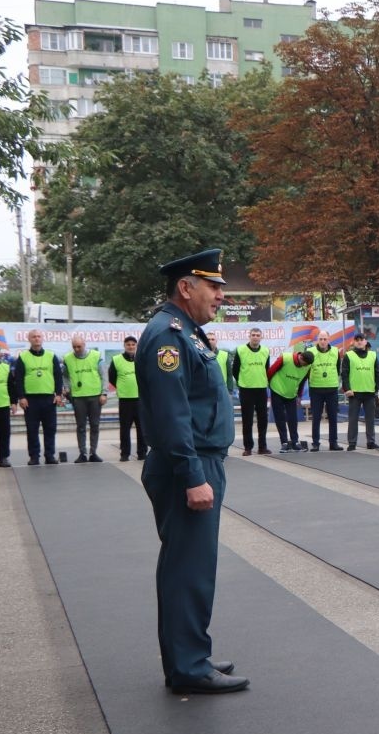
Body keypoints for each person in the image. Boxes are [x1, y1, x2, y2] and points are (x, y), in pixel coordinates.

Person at [136, 248, 246, 694]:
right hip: (190, 465)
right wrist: (193, 476)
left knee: (195, 566)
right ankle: (187, 667)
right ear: (186, 287)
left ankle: (192, 652)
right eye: (214, 286)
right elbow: (172, 415)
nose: (220, 296)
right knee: (188, 569)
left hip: (201, 461)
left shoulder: (189, 333)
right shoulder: (168, 335)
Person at [12, 328, 65, 465]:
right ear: (29, 339)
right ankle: (34, 456)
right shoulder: (23, 357)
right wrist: (21, 397)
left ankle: (50, 456)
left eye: (39, 336)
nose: (36, 339)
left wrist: (58, 394)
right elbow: (18, 378)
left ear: (42, 339)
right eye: (34, 337)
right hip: (30, 400)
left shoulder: (51, 355)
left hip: (49, 398)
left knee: (50, 429)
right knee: (32, 429)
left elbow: (58, 376)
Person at [63, 335, 107, 462]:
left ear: (84, 344)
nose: (77, 349)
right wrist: (67, 388)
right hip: (78, 397)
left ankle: (93, 453)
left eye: (79, 346)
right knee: (80, 426)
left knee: (95, 425)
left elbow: (104, 375)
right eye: (74, 347)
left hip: (95, 396)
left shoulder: (96, 356)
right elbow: (65, 376)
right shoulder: (67, 358)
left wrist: (104, 393)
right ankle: (82, 453)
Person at [232, 327, 272, 456]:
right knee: (247, 420)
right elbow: (235, 370)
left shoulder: (265, 350)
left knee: (263, 420)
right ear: (249, 336)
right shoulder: (241, 350)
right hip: (246, 389)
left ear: (261, 337)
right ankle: (248, 447)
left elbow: (267, 369)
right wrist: (242, 382)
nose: (255, 337)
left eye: (257, 335)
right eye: (253, 335)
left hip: (261, 389)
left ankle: (262, 447)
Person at [268, 346, 314, 452]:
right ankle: (284, 442)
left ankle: (295, 442)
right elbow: (271, 371)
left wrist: (299, 396)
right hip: (277, 391)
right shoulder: (285, 358)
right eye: (305, 363)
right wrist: (270, 388)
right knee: (280, 418)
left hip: (291, 394)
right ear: (301, 357)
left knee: (293, 419)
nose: (305, 366)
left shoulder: (307, 366)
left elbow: (302, 381)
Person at [108, 336, 147, 462]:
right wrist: (122, 387)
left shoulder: (142, 359)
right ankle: (125, 454)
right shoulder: (116, 360)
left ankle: (142, 453)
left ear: (136, 346)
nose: (131, 346)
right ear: (124, 346)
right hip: (125, 400)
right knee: (125, 429)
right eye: (128, 344)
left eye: (133, 344)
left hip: (140, 399)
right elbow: (112, 378)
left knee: (142, 428)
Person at [341, 332, 379, 449]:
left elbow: (378, 373)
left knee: (370, 420)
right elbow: (344, 374)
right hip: (354, 393)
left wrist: (376, 389)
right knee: (353, 420)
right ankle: (352, 443)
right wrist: (347, 389)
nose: (359, 341)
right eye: (356, 339)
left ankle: (371, 442)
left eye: (361, 339)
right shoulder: (349, 355)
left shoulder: (373, 355)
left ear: (365, 341)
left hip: (369, 392)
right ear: (354, 342)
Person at [306, 330, 341, 451]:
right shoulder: (310, 352)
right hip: (316, 389)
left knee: (333, 417)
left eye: (325, 339)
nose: (322, 341)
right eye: (320, 339)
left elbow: (337, 368)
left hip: (332, 389)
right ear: (317, 340)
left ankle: (333, 443)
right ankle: (315, 443)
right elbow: (307, 371)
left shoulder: (336, 351)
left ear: (329, 339)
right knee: (316, 418)